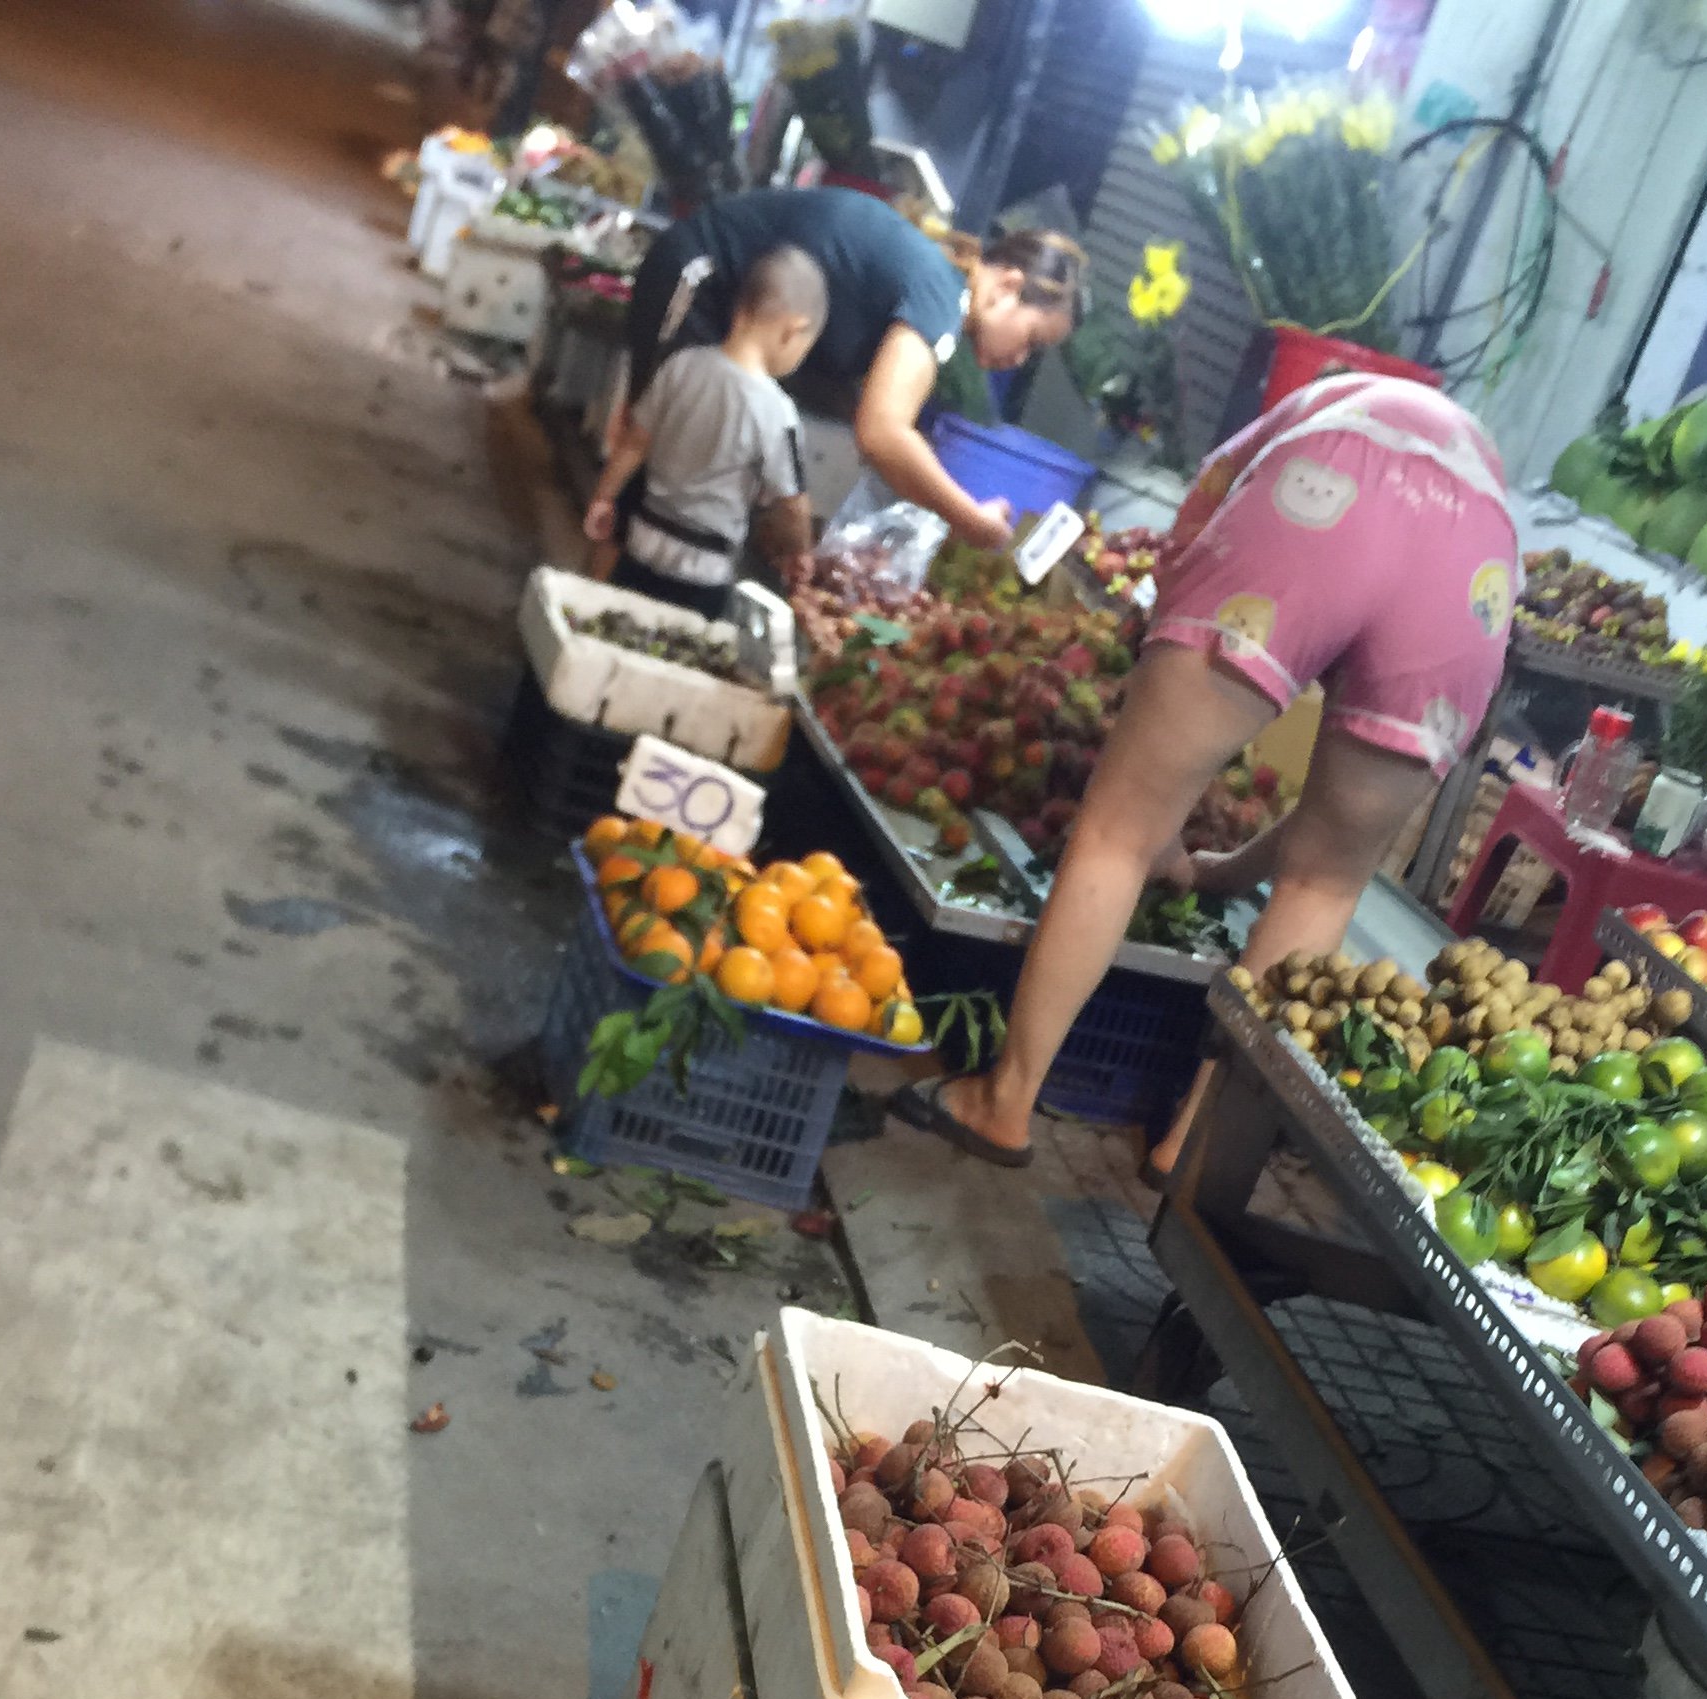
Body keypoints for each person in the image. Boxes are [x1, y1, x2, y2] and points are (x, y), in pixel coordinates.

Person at [892, 372, 1518, 1174]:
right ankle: (1191, 1148)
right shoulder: (1477, 476)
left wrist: (1155, 777)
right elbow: (1320, 830)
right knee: (1324, 885)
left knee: (1118, 833)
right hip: (1474, 572)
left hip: (1325, 488)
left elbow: (1184, 557)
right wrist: (1221, 869)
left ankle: (1002, 1104)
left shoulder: (1307, 422)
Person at [624, 190, 1083, 547]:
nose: (1020, 358)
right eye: (1032, 340)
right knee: (650, 471)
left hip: (724, 312)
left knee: (675, 489)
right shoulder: (941, 295)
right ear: (1007, 287)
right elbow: (881, 433)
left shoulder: (937, 288)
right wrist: (970, 520)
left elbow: (867, 416)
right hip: (699, 277)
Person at [584, 246, 827, 617]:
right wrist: (800, 552)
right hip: (703, 572)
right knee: (681, 646)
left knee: (620, 628)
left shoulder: (681, 365)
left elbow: (634, 442)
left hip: (641, 544)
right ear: (792, 331)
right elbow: (792, 504)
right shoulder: (778, 413)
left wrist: (604, 497)